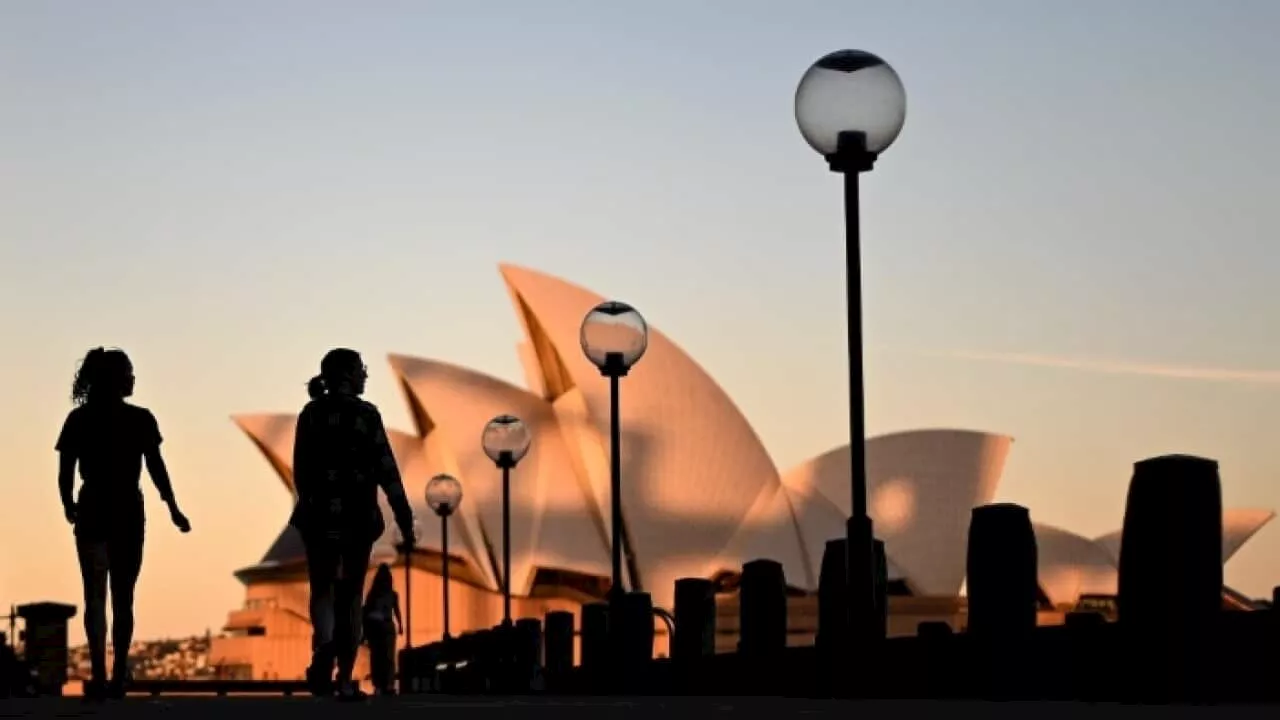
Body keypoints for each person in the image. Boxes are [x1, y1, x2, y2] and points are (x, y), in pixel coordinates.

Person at [56, 347, 191, 701]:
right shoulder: (141, 419)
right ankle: (118, 675)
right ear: (115, 379)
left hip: (92, 507)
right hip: (128, 510)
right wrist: (173, 507)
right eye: (129, 372)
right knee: (124, 597)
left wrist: (68, 504)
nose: (133, 377)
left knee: (94, 595)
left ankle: (99, 674)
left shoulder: (78, 420)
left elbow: (65, 471)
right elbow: (156, 468)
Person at [292, 348, 414, 701]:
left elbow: (300, 470)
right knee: (351, 594)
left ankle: (325, 645)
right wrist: (403, 514)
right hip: (358, 516)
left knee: (322, 588)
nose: (364, 376)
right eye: (361, 370)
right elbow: (386, 467)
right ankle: (345, 680)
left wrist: (315, 499)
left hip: (319, 515)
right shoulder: (366, 415)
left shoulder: (311, 415)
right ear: (347, 375)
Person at [361, 563, 402, 695]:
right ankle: (387, 684)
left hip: (377, 628)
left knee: (378, 657)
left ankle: (380, 684)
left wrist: (365, 633)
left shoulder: (373, 594)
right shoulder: (392, 595)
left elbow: (366, 612)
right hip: (386, 627)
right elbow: (397, 610)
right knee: (387, 657)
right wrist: (401, 625)